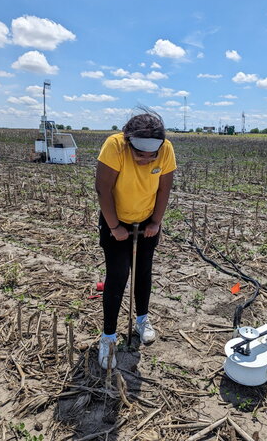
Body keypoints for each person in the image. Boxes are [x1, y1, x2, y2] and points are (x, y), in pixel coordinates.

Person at [95, 109, 176, 369]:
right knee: (117, 277)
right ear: (129, 141)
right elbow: (103, 189)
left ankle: (142, 319)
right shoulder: (114, 146)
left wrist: (156, 222)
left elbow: (164, 188)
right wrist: (115, 226)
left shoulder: (166, 150)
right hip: (116, 222)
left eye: (152, 154)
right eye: (140, 153)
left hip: (147, 224)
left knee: (143, 273)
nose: (146, 159)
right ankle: (108, 337)